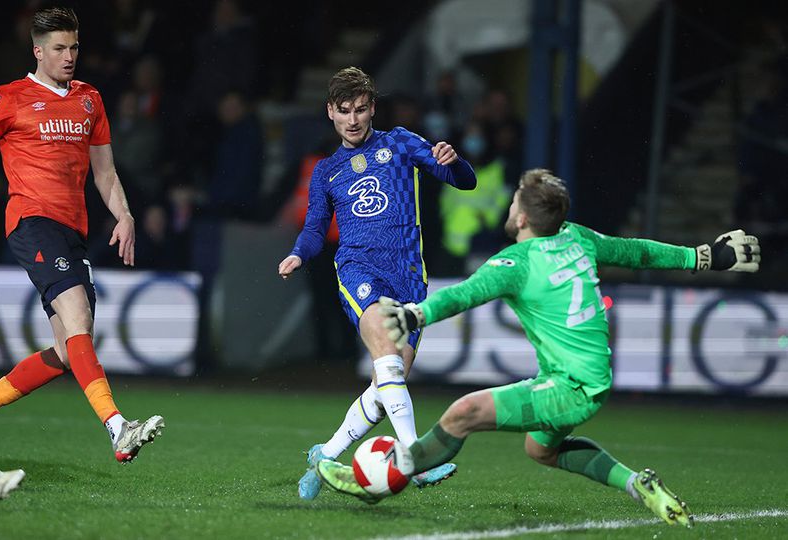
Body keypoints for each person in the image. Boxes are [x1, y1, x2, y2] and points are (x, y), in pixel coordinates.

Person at [317, 168, 762, 527]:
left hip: (569, 388)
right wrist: (704, 256)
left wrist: (416, 315)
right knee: (541, 450)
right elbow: (635, 251)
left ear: (524, 219)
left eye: (514, 203)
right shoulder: (575, 237)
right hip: (590, 381)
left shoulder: (516, 263)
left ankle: (380, 481)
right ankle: (636, 483)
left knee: (463, 413)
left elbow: (463, 294)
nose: (510, 207)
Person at [278, 66, 477, 500]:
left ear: (373, 109)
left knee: (388, 383)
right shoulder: (327, 170)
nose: (353, 119)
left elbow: (463, 181)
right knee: (386, 357)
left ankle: (325, 454)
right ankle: (415, 457)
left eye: (361, 110)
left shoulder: (401, 143)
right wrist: (299, 252)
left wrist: (454, 162)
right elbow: (315, 228)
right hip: (358, 271)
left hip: (408, 276)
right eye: (344, 110)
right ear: (330, 111)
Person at [0, 7, 163, 462]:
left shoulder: (89, 100)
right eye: (59, 48)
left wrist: (124, 215)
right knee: (78, 317)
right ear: (38, 50)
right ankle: (118, 427)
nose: (69, 56)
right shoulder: (9, 97)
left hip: (72, 229)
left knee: (67, 350)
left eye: (74, 47)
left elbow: (105, 172)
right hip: (32, 220)